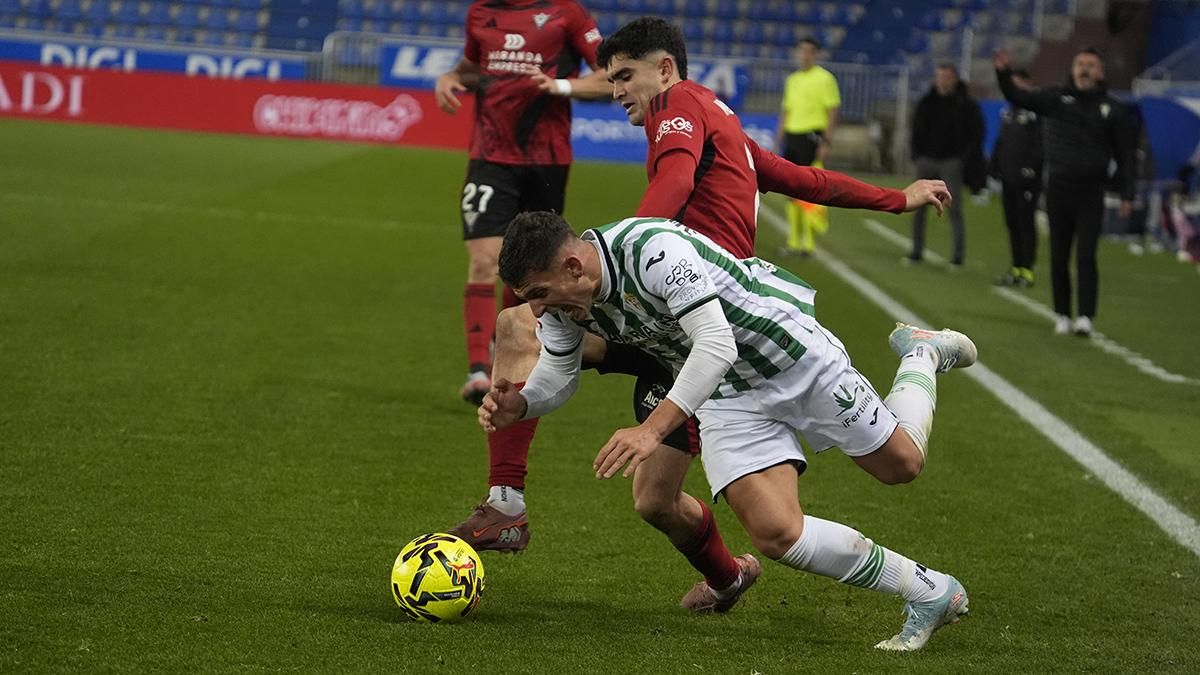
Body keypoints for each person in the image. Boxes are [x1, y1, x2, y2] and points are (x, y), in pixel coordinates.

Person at [449, 19, 953, 612]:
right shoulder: (725, 121)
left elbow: (675, 180)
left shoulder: (676, 104)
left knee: (516, 322)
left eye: (624, 76)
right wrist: (896, 198)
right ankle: (727, 577)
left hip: (699, 319)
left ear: (664, 68)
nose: (616, 90)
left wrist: (629, 251)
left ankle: (507, 500)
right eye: (611, 79)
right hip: (672, 327)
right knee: (654, 499)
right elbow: (804, 180)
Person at [484, 211, 975, 650]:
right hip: (725, 394)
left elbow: (715, 342)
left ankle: (921, 354)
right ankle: (930, 591)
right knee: (776, 532)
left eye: (540, 295)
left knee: (902, 464)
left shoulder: (652, 249)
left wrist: (652, 430)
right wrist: (523, 402)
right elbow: (559, 376)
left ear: (573, 266)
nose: (539, 311)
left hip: (790, 356)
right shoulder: (567, 305)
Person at [434, 0, 610, 405]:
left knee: (533, 269)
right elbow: (474, 68)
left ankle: (512, 346)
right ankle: (478, 370)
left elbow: (608, 77)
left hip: (546, 161)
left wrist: (562, 85)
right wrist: (450, 77)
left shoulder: (567, 13)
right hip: (490, 159)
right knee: (483, 261)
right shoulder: (480, 12)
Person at [994, 48, 1135, 336]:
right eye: (1080, 63)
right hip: (1058, 187)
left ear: (1101, 72)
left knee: (1086, 255)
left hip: (1092, 191)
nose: (1084, 69)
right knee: (1059, 254)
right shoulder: (1055, 99)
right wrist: (1003, 73)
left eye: (1091, 65)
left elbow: (1125, 155)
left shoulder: (1113, 108)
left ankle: (1085, 316)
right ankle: (1062, 314)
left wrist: (1127, 193)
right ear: (1072, 69)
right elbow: (1017, 96)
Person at [907, 63, 984, 267]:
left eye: (947, 77)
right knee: (917, 206)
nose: (942, 81)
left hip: (952, 162)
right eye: (939, 76)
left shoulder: (966, 104)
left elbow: (977, 134)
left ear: (955, 79)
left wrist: (962, 160)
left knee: (954, 208)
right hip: (926, 160)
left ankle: (958, 256)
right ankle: (916, 251)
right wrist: (917, 155)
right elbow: (915, 129)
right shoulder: (926, 102)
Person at [776, 37, 841, 257]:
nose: (804, 55)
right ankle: (794, 240)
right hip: (793, 136)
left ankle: (808, 243)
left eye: (809, 51)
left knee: (808, 189)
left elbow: (832, 111)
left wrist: (826, 142)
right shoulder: (792, 79)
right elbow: (786, 110)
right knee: (789, 190)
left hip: (812, 136)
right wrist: (779, 137)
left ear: (816, 54)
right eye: (801, 51)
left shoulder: (825, 79)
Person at [989, 68, 1044, 288]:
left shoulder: (1035, 112)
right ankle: (1016, 267)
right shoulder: (1008, 112)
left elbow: (1041, 145)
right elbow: (1001, 142)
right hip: (1008, 176)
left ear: (1028, 84)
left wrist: (1032, 169)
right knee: (1012, 223)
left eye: (1019, 84)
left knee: (1025, 223)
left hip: (1027, 178)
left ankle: (1027, 271)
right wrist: (994, 167)